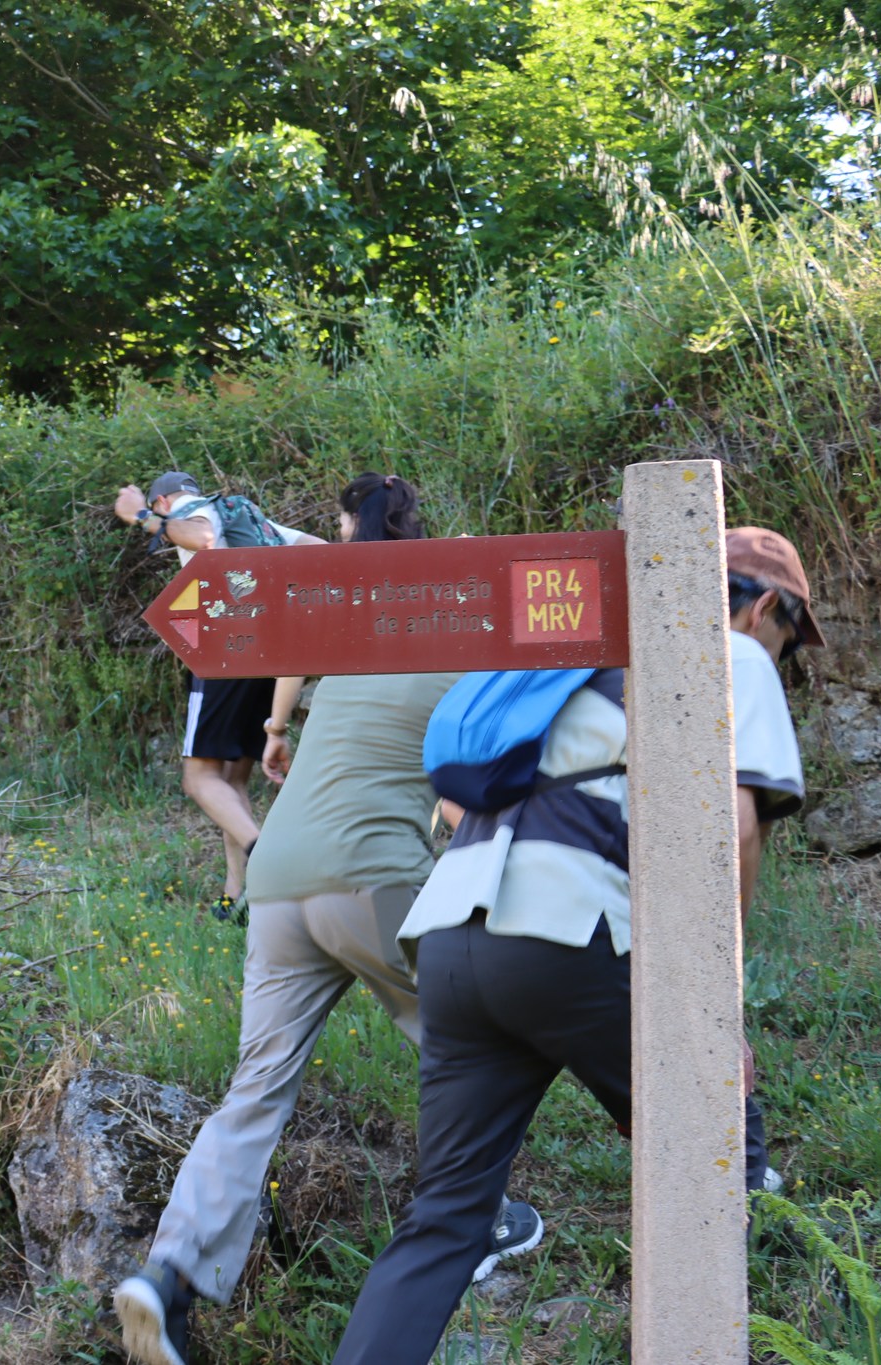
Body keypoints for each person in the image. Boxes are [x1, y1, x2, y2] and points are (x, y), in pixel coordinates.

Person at [327, 525, 819, 1365]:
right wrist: (714, 1001)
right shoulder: (729, 657)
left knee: (446, 1215)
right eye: (788, 640)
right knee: (718, 1138)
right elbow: (734, 829)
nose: (783, 657)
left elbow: (451, 807)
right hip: (564, 932)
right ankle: (816, 1314)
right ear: (766, 606)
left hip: (452, 934)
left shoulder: (569, 661)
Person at [114, 475, 540, 1365]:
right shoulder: (468, 651)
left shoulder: (351, 642)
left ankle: (168, 1276)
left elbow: (292, 629)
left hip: (274, 876)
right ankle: (487, 1210)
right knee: (466, 1038)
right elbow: (471, 801)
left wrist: (274, 732)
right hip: (372, 876)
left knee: (254, 1091)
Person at [113, 471, 323, 918]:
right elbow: (316, 551)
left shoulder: (192, 511)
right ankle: (241, 895)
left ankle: (268, 859)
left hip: (225, 652)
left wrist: (141, 517)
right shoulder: (247, 516)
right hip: (267, 653)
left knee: (199, 777)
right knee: (231, 781)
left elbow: (203, 537)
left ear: (164, 500)